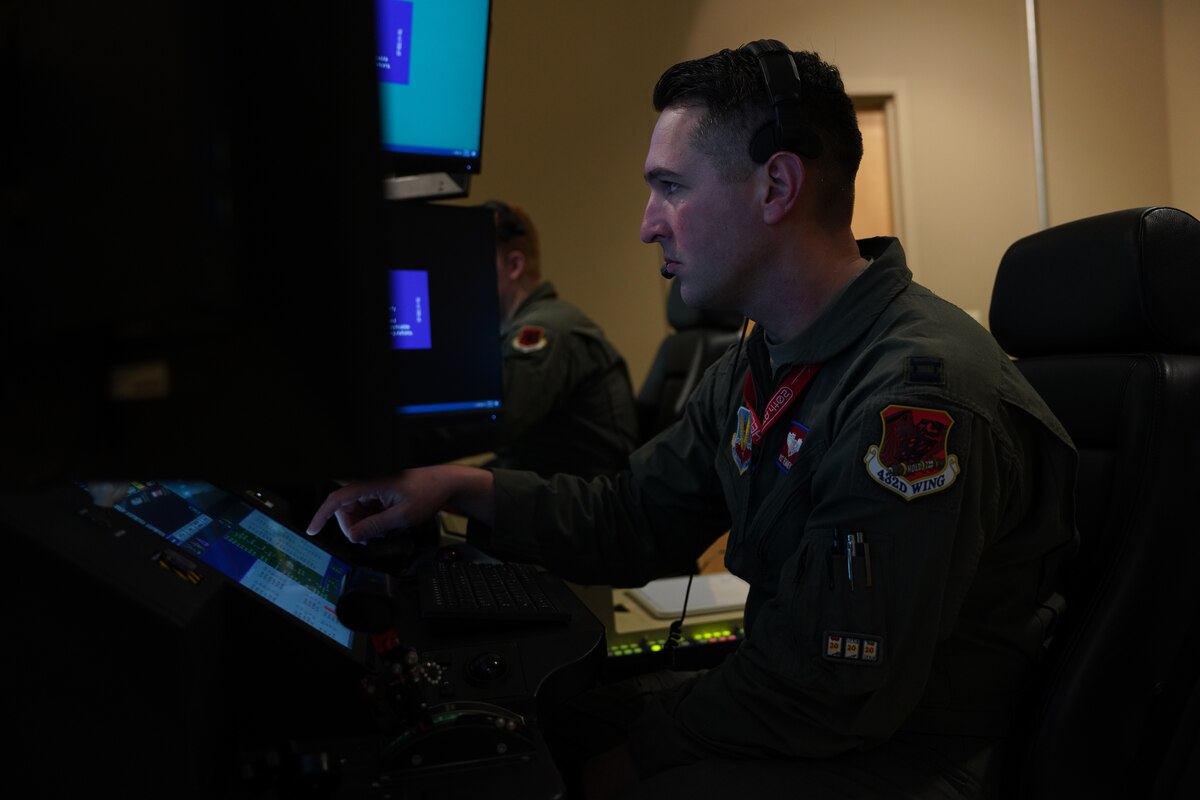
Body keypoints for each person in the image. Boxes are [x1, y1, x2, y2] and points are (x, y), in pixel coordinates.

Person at [307, 40, 1078, 799]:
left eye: (671, 187)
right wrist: (458, 486)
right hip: (815, 702)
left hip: (907, 749)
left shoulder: (914, 402)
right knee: (538, 723)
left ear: (776, 186)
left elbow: (834, 683)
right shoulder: (762, 363)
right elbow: (632, 516)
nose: (649, 224)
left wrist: (640, 755)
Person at [418, 199, 640, 479]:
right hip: (554, 489)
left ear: (514, 265)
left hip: (585, 506)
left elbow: (492, 422)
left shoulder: (546, 332)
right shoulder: (527, 327)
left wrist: (385, 446)